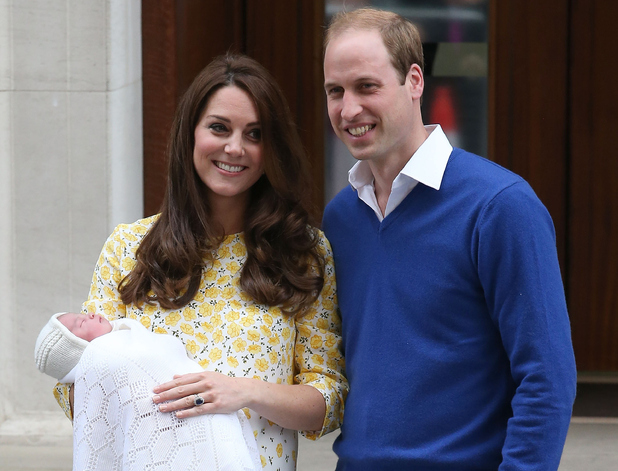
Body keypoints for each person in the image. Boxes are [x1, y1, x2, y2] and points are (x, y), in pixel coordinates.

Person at [51, 53, 347, 471]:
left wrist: (244, 392)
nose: (234, 148)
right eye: (219, 127)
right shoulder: (128, 247)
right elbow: (78, 392)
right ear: (191, 133)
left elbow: (328, 399)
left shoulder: (302, 254)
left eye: (255, 134)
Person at [321, 7, 576, 471]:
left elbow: (547, 380)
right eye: (335, 91)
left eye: (366, 86)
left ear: (414, 81)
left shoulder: (501, 207)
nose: (348, 109)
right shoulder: (342, 217)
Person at [35, 312, 261, 471]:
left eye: (82, 314)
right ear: (76, 349)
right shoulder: (105, 357)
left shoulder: (134, 339)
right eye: (79, 324)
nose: (89, 315)